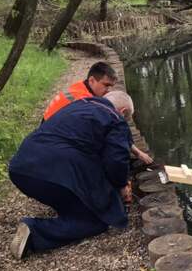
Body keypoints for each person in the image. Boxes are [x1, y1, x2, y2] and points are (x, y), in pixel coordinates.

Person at [8, 91, 136, 259]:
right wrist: (120, 185)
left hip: (21, 169)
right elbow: (115, 161)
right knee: (96, 221)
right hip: (54, 172)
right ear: (123, 111)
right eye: (127, 119)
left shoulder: (79, 105)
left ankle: (67, 211)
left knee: (78, 203)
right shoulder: (115, 119)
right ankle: (34, 231)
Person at [43, 61, 153, 165]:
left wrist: (136, 151)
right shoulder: (86, 102)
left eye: (111, 87)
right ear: (91, 80)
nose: (108, 91)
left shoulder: (80, 87)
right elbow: (110, 132)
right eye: (106, 85)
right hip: (52, 143)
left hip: (50, 131)